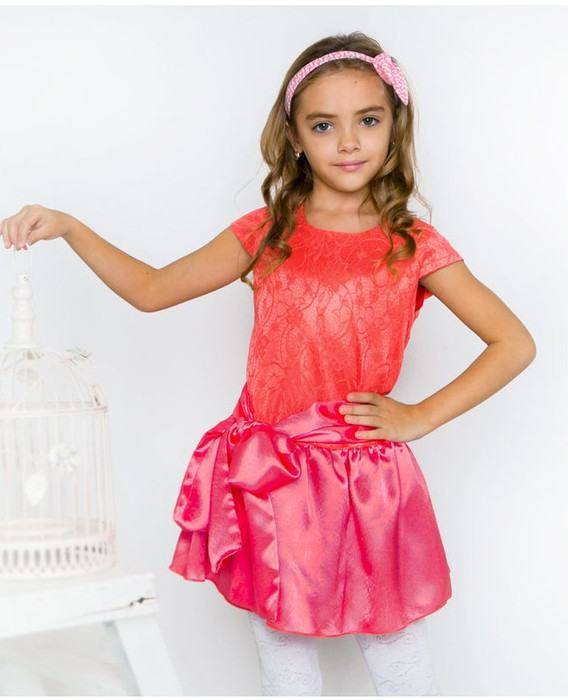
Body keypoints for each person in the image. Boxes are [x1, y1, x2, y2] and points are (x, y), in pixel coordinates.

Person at [1, 31, 535, 697]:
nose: (348, 142)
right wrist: (70, 226)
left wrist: (420, 416)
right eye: (324, 124)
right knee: (283, 646)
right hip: (272, 474)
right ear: (295, 137)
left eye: (368, 120)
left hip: (366, 476)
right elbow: (151, 290)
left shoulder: (412, 243)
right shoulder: (267, 232)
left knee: (394, 642)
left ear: (395, 127)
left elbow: (513, 342)